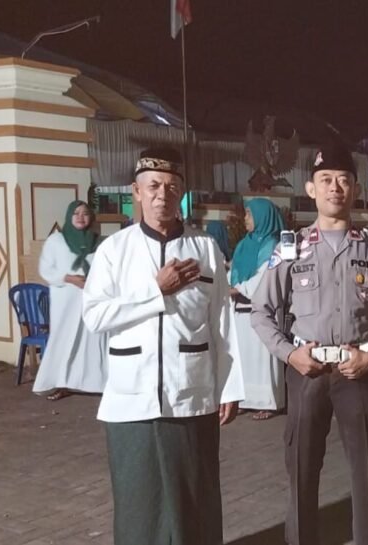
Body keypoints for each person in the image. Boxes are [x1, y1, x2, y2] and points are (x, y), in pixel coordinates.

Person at [251, 143, 368, 545]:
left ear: (356, 189)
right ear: (311, 189)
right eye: (325, 180)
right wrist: (289, 354)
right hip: (307, 372)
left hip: (359, 371)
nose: (335, 188)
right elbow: (261, 311)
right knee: (302, 471)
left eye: (343, 180)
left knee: (367, 472)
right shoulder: (290, 248)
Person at [82, 148, 245, 545]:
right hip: (131, 399)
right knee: (139, 505)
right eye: (153, 186)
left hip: (191, 392)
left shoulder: (205, 249)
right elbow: (95, 316)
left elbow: (222, 321)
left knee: (195, 501)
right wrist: (155, 290)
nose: (162, 195)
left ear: (182, 194)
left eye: (172, 187)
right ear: (136, 191)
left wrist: (230, 386)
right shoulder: (113, 250)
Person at [33, 200, 107, 401]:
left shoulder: (99, 242)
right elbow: (46, 269)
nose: (81, 217)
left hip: (92, 297)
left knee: (93, 338)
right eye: (76, 213)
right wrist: (69, 278)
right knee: (64, 339)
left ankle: (97, 383)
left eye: (85, 213)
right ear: (69, 216)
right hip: (65, 298)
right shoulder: (56, 241)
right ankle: (60, 382)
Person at [229, 198, 287, 420]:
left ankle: (268, 403)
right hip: (240, 310)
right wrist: (229, 285)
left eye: (249, 214)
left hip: (263, 310)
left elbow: (266, 278)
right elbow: (234, 272)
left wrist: (239, 288)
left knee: (263, 358)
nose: (245, 218)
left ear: (263, 216)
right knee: (244, 357)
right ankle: (246, 400)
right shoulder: (244, 245)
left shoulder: (273, 246)